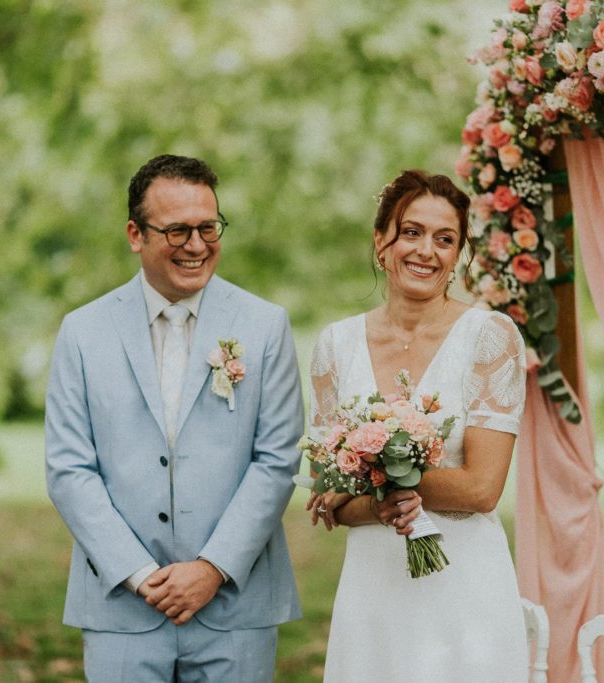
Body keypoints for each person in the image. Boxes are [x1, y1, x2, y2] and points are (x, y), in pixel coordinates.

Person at [45, 154, 303, 682]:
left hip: (237, 605)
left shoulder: (265, 326)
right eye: (178, 230)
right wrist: (141, 577)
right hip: (122, 606)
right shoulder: (83, 332)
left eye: (209, 227)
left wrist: (211, 569)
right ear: (136, 235)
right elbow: (70, 469)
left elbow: (276, 460)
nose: (197, 245)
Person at [307, 169, 530, 681]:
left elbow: (480, 487)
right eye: (411, 232)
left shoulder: (490, 337)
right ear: (381, 242)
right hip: (372, 591)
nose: (425, 251)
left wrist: (369, 483)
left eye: (444, 239)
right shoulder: (334, 346)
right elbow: (325, 497)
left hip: (464, 587)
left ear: (457, 257)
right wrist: (370, 496)